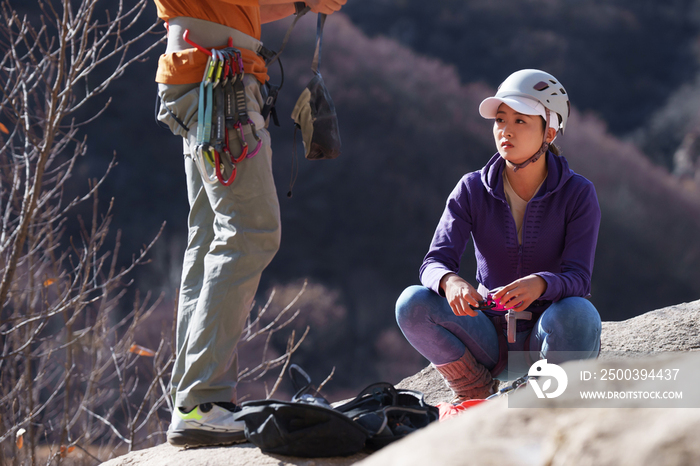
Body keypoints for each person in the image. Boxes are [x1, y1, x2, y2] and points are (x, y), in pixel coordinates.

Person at [153, 0, 346, 447]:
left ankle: (194, 401)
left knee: (208, 243)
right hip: (219, 80)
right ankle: (203, 399)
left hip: (208, 78)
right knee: (250, 231)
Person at [395, 69, 602, 403]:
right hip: (486, 337)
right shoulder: (472, 188)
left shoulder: (578, 193)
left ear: (549, 131)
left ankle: (548, 397)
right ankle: (473, 389)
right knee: (412, 303)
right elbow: (434, 262)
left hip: (546, 335)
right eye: (500, 120)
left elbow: (579, 277)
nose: (506, 130)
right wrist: (450, 282)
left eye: (520, 121)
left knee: (579, 313)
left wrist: (542, 284)